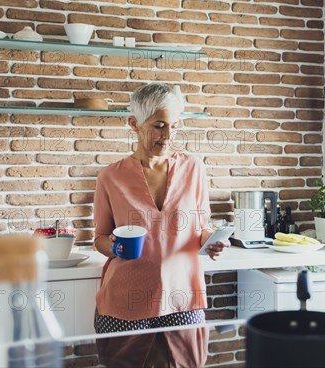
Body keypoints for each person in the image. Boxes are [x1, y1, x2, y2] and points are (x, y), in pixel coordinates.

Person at [93, 83, 229, 367]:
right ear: (134, 123)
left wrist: (211, 241)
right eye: (158, 126)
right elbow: (100, 238)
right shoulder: (110, 177)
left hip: (183, 299)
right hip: (125, 302)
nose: (168, 136)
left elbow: (201, 226)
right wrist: (117, 247)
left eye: (175, 126)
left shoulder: (194, 168)